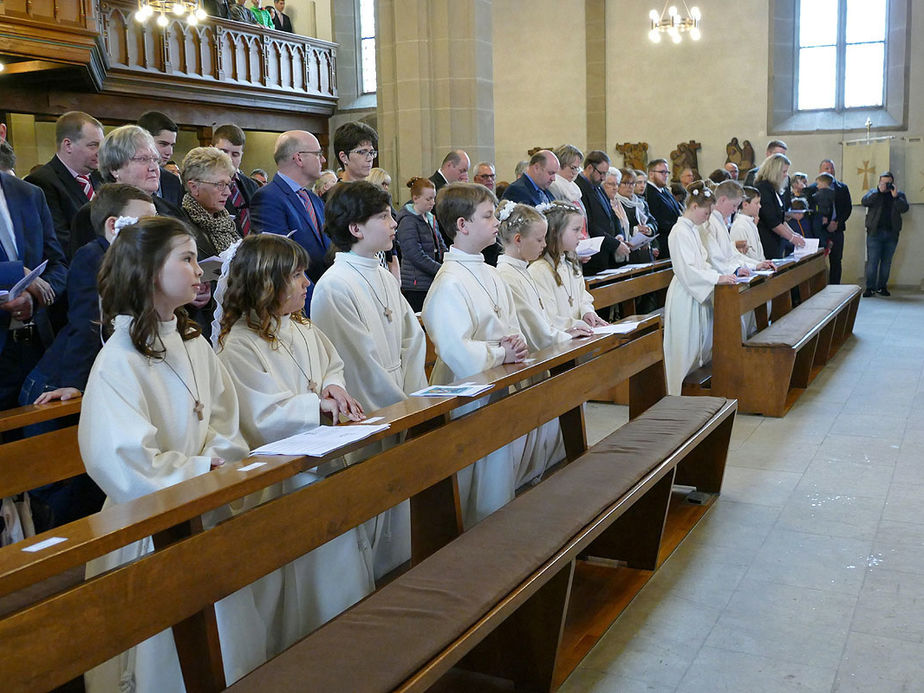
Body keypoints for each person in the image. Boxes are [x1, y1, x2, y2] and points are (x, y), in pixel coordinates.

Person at [80, 217, 263, 692]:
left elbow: (226, 416)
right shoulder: (119, 358)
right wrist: (202, 468)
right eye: (185, 258)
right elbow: (119, 459)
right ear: (147, 271)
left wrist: (218, 459)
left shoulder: (192, 340)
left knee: (227, 645)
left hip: (203, 500)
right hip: (148, 521)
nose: (199, 270)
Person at [216, 233, 371, 652]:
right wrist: (314, 406)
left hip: (320, 459)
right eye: (297, 275)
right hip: (282, 477)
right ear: (267, 281)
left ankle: (347, 635)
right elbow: (261, 416)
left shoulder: (302, 328)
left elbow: (332, 365)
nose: (307, 283)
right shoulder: (239, 345)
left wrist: (335, 388)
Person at [20, 184, 156, 528]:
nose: (154, 230)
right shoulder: (93, 255)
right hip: (66, 373)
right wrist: (74, 384)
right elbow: (87, 324)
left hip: (101, 370)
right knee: (63, 478)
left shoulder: (140, 259)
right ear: (114, 226)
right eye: (146, 222)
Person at [311, 181, 427, 578]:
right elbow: (356, 364)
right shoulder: (335, 285)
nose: (393, 223)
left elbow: (412, 339)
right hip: (371, 412)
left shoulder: (378, 272)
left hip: (400, 402)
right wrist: (402, 406)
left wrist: (415, 396)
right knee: (374, 506)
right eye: (383, 216)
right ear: (356, 228)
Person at [421, 183, 529, 527]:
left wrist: (516, 344)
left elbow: (509, 324)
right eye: (487, 215)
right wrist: (502, 353)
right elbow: (457, 353)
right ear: (462, 225)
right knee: (471, 484)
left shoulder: (490, 271)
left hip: (496, 386)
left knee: (497, 479)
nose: (496, 221)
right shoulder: (449, 282)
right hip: (464, 396)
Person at [494, 202, 590, 486]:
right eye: (539, 239)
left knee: (547, 436)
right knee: (530, 438)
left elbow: (543, 318)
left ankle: (546, 475)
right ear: (518, 239)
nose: (543, 244)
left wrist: (568, 327)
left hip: (539, 357)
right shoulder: (510, 274)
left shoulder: (522, 269)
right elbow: (535, 328)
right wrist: (564, 334)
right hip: (528, 361)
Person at [0, 171, 67, 412]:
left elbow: (58, 265)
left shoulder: (29, 193)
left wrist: (31, 296)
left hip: (36, 346)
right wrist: (16, 273)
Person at [662, 181, 737, 395]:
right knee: (685, 345)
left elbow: (702, 262)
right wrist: (716, 278)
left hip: (697, 291)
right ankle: (676, 392)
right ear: (694, 207)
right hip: (685, 294)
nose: (707, 217)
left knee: (699, 344)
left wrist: (716, 276)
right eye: (706, 212)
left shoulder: (693, 230)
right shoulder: (679, 232)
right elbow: (688, 269)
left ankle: (692, 389)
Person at [69, 125, 189, 257]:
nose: (153, 167)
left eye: (155, 160)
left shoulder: (171, 210)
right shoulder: (91, 214)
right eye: (143, 159)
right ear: (114, 168)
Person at [250, 130, 329, 311]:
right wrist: (315, 304)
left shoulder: (314, 199)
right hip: (299, 303)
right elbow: (281, 261)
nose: (323, 160)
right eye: (318, 154)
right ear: (299, 158)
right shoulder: (268, 197)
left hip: (324, 296)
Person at [25, 111, 103, 255]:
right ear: (68, 145)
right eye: (93, 145)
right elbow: (61, 241)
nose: (100, 152)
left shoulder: (101, 177)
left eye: (101, 146)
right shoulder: (42, 182)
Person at [529, 200, 608, 331]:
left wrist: (586, 312)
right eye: (576, 230)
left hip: (580, 335)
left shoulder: (570, 264)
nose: (582, 235)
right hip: (561, 341)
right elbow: (548, 317)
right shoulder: (539, 270)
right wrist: (577, 325)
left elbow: (582, 296)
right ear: (555, 231)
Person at [575, 151, 630, 275]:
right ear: (590, 168)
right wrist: (614, 244)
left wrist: (619, 234)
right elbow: (589, 223)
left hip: (606, 253)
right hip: (593, 256)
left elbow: (612, 214)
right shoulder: (579, 188)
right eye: (602, 173)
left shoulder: (598, 186)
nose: (604, 178)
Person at [181, 146, 242, 258]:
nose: (228, 193)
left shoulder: (227, 222)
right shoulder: (180, 228)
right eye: (220, 185)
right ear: (194, 187)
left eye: (228, 185)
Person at [395, 176, 446, 311]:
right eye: (428, 199)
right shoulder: (408, 221)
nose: (432, 203)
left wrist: (448, 261)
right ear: (415, 198)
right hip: (416, 283)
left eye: (433, 198)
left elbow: (440, 244)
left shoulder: (430, 218)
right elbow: (414, 254)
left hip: (431, 280)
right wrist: (440, 269)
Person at [861, 171, 909, 297]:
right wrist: (878, 191)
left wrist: (896, 197)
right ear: (879, 182)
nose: (886, 185)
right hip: (874, 233)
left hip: (891, 234)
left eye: (888, 183)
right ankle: (870, 288)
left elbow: (904, 209)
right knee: (873, 262)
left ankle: (882, 287)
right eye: (883, 182)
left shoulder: (899, 195)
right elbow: (864, 201)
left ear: (892, 182)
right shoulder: (874, 192)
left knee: (886, 262)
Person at [805, 159, 852, 284]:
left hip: (837, 229)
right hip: (819, 230)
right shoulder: (812, 189)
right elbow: (809, 209)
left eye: (831, 168)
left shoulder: (842, 188)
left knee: (836, 260)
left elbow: (847, 208)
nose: (830, 170)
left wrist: (836, 222)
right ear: (820, 171)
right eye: (826, 168)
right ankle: (818, 287)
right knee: (817, 261)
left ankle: (835, 287)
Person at [754, 153, 805, 259]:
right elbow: (772, 220)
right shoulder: (763, 188)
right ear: (774, 172)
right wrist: (791, 238)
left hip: (777, 240)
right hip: (766, 238)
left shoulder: (775, 189)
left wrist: (794, 234)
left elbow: (781, 220)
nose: (786, 175)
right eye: (784, 172)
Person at [213, 123, 260, 237]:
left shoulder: (251, 185)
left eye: (235, 154)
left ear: (241, 156)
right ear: (211, 150)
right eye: (223, 152)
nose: (228, 158)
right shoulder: (203, 185)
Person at [137, 111, 185, 208]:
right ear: (143, 140)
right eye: (163, 144)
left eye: (172, 145)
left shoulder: (173, 181)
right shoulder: (129, 176)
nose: (169, 152)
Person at [614, 167, 659, 264]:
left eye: (632, 183)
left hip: (645, 252)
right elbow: (615, 230)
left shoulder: (640, 203)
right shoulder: (615, 204)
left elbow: (653, 222)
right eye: (626, 183)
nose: (630, 187)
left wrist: (648, 228)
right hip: (628, 254)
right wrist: (635, 230)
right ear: (617, 184)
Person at [645, 158, 684, 258]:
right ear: (651, 174)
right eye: (662, 172)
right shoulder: (649, 193)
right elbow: (657, 220)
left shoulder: (664, 190)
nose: (666, 175)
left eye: (667, 172)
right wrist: (678, 226)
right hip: (662, 243)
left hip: (673, 240)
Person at [730, 186, 766, 262]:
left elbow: (758, 251)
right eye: (757, 203)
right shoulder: (739, 226)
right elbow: (741, 256)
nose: (760, 206)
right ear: (745, 205)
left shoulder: (750, 223)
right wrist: (758, 265)